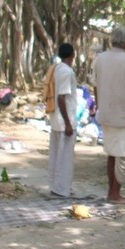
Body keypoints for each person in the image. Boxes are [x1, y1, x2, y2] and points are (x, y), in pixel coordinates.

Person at [93, 26, 125, 205]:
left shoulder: (99, 59)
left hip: (107, 114)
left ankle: (112, 192)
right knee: (124, 156)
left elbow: (95, 85)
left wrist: (100, 106)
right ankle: (115, 194)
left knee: (112, 154)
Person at [48, 43, 77, 198]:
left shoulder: (56, 68)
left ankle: (56, 185)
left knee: (56, 154)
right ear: (72, 55)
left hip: (56, 118)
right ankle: (61, 188)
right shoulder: (66, 71)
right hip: (64, 119)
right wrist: (68, 122)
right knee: (65, 157)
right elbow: (61, 98)